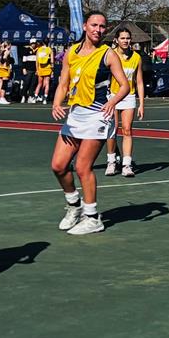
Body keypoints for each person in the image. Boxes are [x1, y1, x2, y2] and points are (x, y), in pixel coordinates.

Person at [50, 12, 129, 235]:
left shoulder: (108, 54)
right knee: (58, 165)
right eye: (94, 25)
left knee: (83, 167)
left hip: (97, 116)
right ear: (85, 26)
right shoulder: (71, 53)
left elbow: (124, 85)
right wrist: (56, 103)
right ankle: (74, 205)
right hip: (75, 116)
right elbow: (63, 83)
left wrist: (112, 102)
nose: (98, 29)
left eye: (103, 26)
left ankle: (93, 218)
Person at [105, 28, 145, 176]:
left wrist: (141, 104)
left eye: (128, 38)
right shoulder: (111, 55)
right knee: (112, 129)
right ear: (116, 39)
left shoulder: (136, 57)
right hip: (113, 96)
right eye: (122, 38)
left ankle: (126, 165)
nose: (126, 41)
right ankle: (111, 161)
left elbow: (139, 82)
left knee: (127, 129)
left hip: (129, 96)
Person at [33, 39, 54, 104]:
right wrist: (52, 70)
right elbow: (52, 61)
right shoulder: (50, 50)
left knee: (39, 84)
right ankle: (45, 99)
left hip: (40, 68)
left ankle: (35, 98)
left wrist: (37, 70)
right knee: (47, 83)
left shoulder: (39, 50)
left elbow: (37, 61)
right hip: (47, 68)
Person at [21, 39, 38, 103]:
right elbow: (24, 60)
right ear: (30, 43)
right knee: (26, 83)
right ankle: (23, 96)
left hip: (35, 70)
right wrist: (24, 68)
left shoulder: (38, 50)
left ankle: (30, 97)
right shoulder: (26, 49)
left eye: (34, 43)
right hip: (28, 69)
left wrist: (37, 70)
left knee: (33, 84)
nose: (33, 44)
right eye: (32, 43)